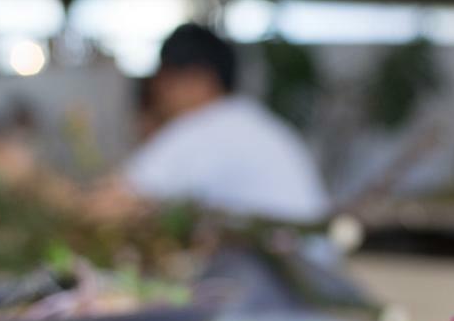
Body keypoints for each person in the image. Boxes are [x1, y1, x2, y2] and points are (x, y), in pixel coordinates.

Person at [97, 23, 329, 222]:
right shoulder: (246, 121)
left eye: (163, 80)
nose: (159, 94)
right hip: (307, 265)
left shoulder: (204, 128)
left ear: (198, 78)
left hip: (287, 271)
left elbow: (113, 203)